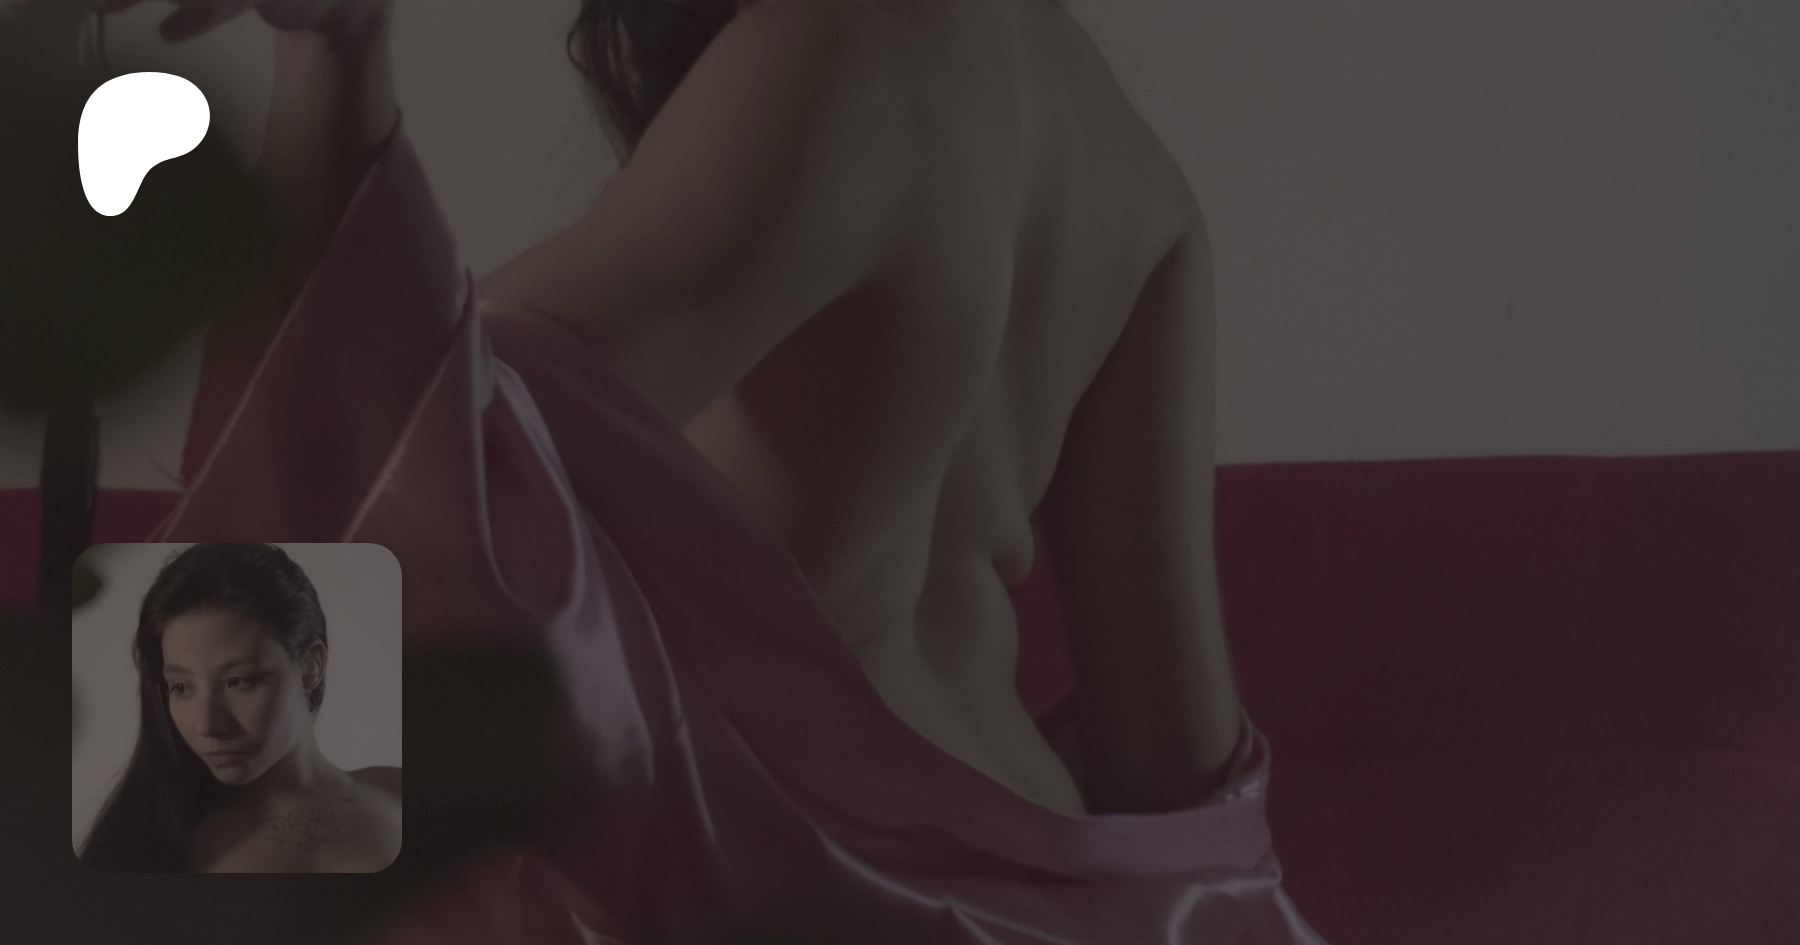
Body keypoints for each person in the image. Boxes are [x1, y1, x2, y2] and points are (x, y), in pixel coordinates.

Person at [111, 0, 1325, 940]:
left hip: (832, 897)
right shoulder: (1132, 166)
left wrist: (329, 55)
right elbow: (1180, 779)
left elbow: (408, 455)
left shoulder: (839, 55)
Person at [76, 543, 402, 873]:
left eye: (238, 681)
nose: (206, 725)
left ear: (310, 665)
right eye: (181, 688)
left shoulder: (397, 790)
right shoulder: (155, 845)